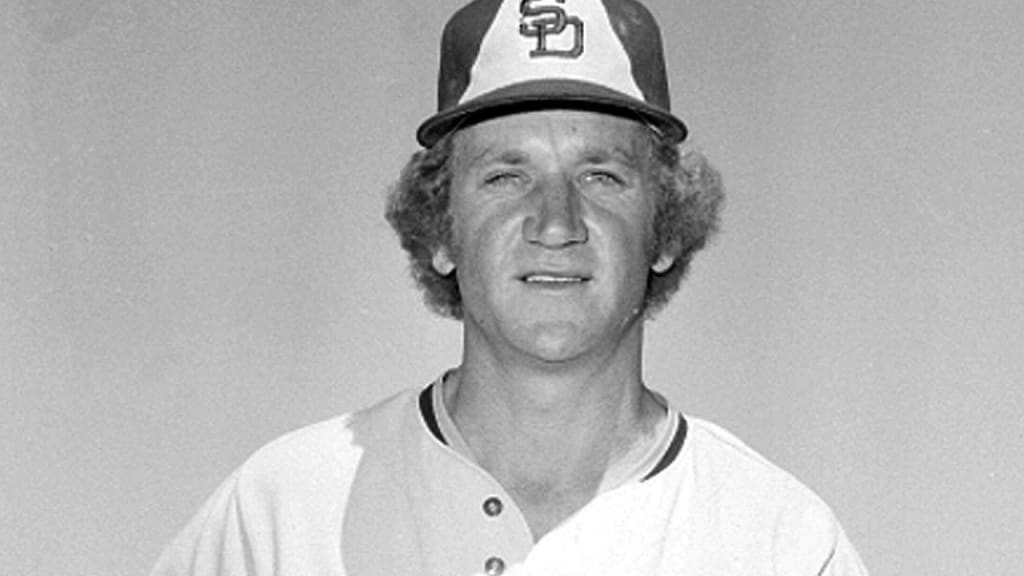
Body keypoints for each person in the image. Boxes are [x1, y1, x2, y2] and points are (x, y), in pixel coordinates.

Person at [151, 0, 869, 574]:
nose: (556, 222)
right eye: (505, 176)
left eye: (601, 176)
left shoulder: (779, 541)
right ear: (439, 228)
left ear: (666, 229)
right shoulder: (284, 513)